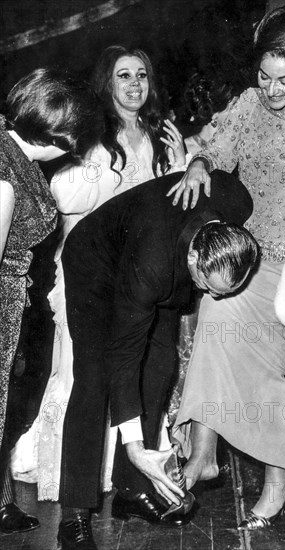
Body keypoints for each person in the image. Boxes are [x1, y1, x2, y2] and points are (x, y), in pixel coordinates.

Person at [170, 6, 285, 530]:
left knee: (265, 372)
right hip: (243, 256)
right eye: (265, 76)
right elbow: (215, 146)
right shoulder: (249, 103)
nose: (271, 89)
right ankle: (203, 454)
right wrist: (201, 161)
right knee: (212, 319)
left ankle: (278, 475)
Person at [10, 45, 186, 501]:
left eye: (141, 75)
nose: (134, 85)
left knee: (135, 363)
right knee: (83, 370)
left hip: (140, 274)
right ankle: (73, 477)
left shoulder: (159, 134)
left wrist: (182, 164)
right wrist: (108, 177)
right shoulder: (88, 130)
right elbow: (61, 198)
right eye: (123, 75)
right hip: (87, 267)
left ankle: (128, 473)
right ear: (107, 83)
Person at [57, 169, 257, 550]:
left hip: (162, 262)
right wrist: (134, 444)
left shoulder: (236, 201)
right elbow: (125, 355)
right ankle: (74, 516)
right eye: (209, 290)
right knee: (96, 377)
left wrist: (199, 158)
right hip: (97, 265)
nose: (214, 299)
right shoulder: (152, 267)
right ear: (196, 257)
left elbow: (218, 161)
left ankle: (131, 491)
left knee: (161, 368)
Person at [0, 68, 102, 534]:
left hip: (20, 301)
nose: (78, 147)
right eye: (75, 136)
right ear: (57, 132)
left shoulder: (14, 154)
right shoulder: (6, 177)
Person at [167, 71, 239, 424]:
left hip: (224, 262)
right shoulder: (189, 149)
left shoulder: (231, 146)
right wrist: (181, 161)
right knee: (188, 350)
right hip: (194, 266)